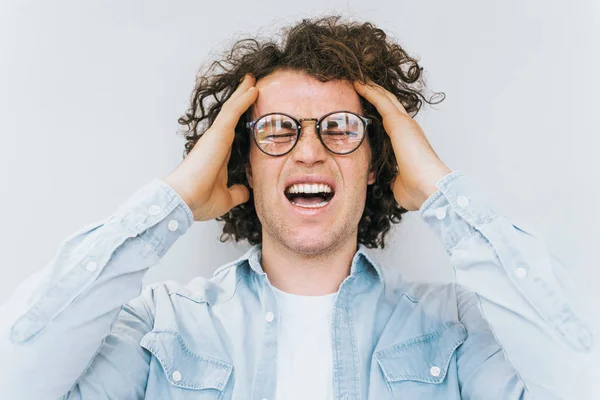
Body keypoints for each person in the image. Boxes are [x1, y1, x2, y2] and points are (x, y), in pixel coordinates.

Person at [0, 15, 596, 400]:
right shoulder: (160, 328)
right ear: (243, 163)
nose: (309, 150)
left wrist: (444, 195)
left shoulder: (456, 329)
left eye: (339, 128)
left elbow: (581, 378)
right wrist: (174, 200)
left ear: (376, 162)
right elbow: (16, 377)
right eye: (278, 130)